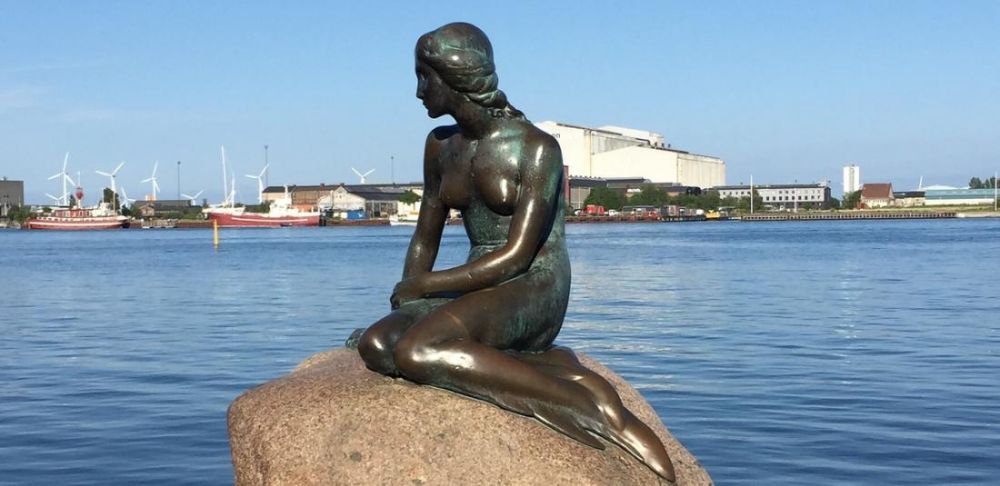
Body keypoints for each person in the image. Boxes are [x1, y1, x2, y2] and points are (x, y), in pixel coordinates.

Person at [356, 22, 674, 481]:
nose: (419, 91)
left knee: (418, 350)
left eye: (426, 77)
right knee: (376, 344)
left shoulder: (536, 148)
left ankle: (587, 404)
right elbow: (426, 236)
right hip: (476, 279)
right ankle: (542, 365)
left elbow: (518, 256)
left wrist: (425, 286)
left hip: (534, 283)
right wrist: (406, 299)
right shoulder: (439, 147)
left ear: (456, 76)